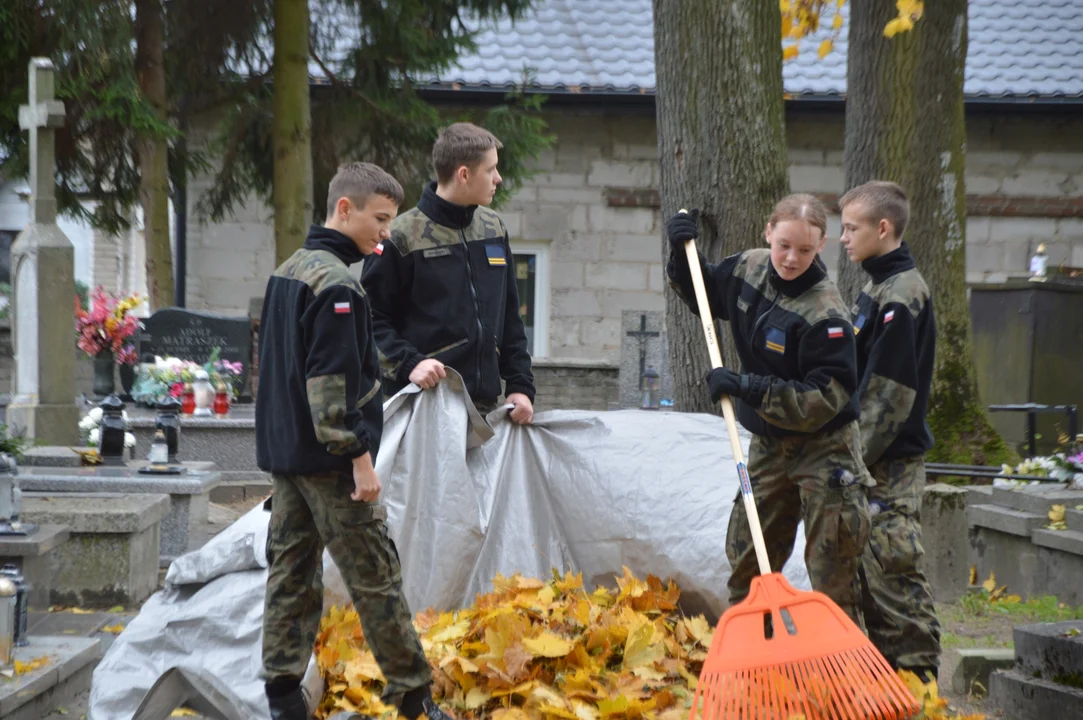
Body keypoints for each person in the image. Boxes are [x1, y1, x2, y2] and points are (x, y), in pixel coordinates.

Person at [255, 162, 451, 720]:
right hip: (330, 462)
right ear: (345, 209)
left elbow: (277, 374)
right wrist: (360, 460)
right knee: (377, 580)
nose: (387, 233)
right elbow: (330, 385)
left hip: (288, 460)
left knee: (290, 577)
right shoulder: (337, 284)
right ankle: (415, 699)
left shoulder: (290, 270)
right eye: (380, 219)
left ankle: (283, 699)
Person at [665, 195, 872, 626]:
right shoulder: (749, 267)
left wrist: (748, 387)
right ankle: (757, 667)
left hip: (825, 450)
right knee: (749, 562)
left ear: (822, 246)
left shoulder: (826, 315)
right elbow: (706, 293)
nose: (791, 258)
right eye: (783, 245)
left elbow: (823, 398)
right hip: (769, 445)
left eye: (805, 250)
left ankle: (839, 678)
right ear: (768, 233)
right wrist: (683, 255)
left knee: (832, 572)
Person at [360, 122, 535, 422]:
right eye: (491, 169)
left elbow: (509, 317)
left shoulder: (494, 229)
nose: (499, 178)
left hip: (484, 411)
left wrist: (520, 386)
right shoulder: (401, 237)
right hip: (420, 408)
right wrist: (408, 363)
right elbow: (368, 320)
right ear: (464, 174)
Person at [840, 180, 941, 685]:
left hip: (888, 462)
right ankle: (884, 684)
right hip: (869, 458)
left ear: (883, 229)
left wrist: (850, 459)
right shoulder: (876, 287)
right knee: (867, 575)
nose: (843, 238)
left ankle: (920, 684)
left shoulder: (902, 294)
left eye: (851, 228)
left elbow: (888, 396)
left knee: (894, 569)